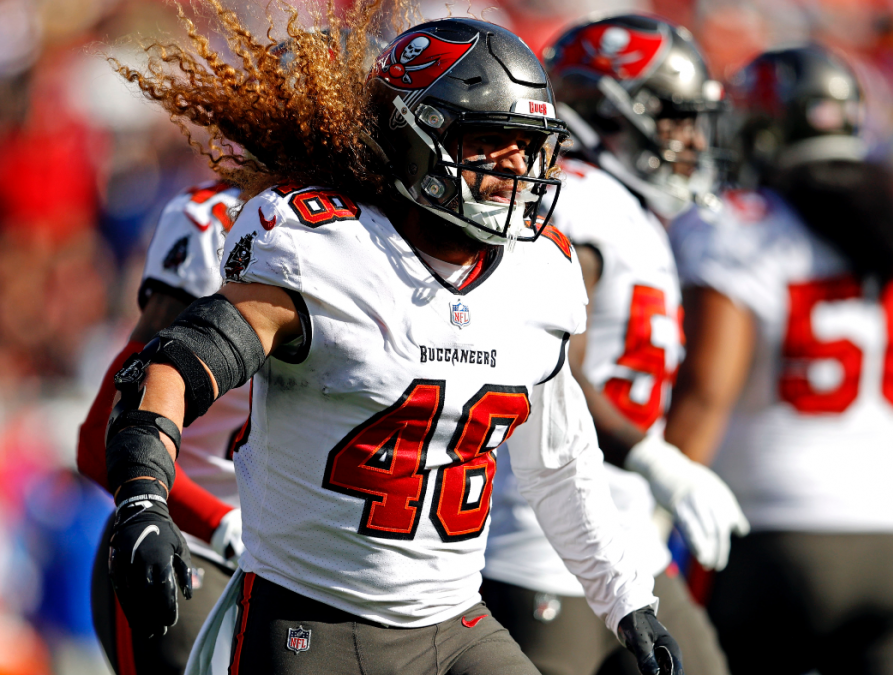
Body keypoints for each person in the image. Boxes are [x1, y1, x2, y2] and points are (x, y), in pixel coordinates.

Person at [104, 9, 686, 675]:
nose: (516, 167)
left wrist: (627, 600)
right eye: (493, 140)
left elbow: (560, 464)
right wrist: (144, 496)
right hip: (311, 619)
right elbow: (172, 366)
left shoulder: (538, 276)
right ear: (418, 138)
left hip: (456, 623)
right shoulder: (324, 251)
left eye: (528, 146)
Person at [665, 45, 893, 675]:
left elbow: (706, 393)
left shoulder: (739, 225)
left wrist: (649, 521)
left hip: (778, 539)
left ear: (764, 129)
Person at [481, 15, 743, 675]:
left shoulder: (631, 211)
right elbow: (552, 368)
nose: (689, 139)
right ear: (606, 112)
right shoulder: (578, 200)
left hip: (633, 547)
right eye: (674, 116)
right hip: (545, 547)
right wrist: (655, 458)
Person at [76, 180, 249, 674]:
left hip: (269, 555)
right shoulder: (212, 217)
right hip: (180, 543)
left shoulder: (338, 226)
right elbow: (97, 443)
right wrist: (218, 521)